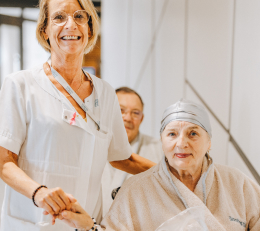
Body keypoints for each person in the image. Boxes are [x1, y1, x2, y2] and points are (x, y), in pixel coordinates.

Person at [0, 0, 155, 230]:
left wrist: (176, 174)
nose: (70, 25)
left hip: (85, 223)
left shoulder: (105, 92)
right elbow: (4, 162)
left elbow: (123, 157)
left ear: (89, 28)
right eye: (59, 17)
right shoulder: (21, 85)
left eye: (80, 17)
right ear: (45, 29)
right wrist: (39, 192)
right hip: (34, 221)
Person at [58, 99, 260, 230]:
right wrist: (88, 226)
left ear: (209, 143)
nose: (181, 143)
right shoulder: (135, 189)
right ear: (162, 142)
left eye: (193, 133)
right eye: (172, 134)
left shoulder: (238, 183)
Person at [102, 87, 162, 215]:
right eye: (120, 110)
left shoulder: (161, 150)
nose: (128, 118)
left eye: (135, 113)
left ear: (142, 118)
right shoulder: (90, 147)